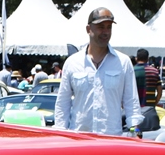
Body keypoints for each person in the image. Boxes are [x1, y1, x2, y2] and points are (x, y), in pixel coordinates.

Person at [53, 8, 141, 136]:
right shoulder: (72, 63)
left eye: (109, 27)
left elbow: (131, 102)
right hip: (79, 139)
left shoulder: (123, 62)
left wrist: (136, 131)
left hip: (111, 139)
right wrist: (60, 134)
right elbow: (63, 103)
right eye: (101, 27)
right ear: (88, 29)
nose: (105, 32)